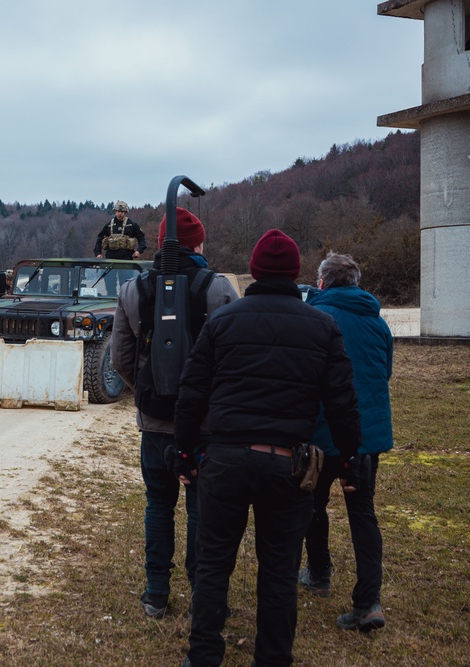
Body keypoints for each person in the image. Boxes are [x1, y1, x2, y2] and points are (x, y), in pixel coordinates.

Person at [174, 229, 363, 667]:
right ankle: (273, 658)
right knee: (278, 573)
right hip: (287, 465)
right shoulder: (322, 325)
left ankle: (202, 656)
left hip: (225, 460)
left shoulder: (224, 321)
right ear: (296, 272)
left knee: (213, 565)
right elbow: (342, 403)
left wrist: (184, 452)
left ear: (254, 270)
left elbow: (192, 392)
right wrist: (351, 460)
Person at [111, 209, 238, 619]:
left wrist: (148, 391)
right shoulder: (219, 289)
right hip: (204, 424)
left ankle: (156, 593)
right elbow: (231, 359)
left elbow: (120, 359)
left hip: (155, 421)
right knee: (201, 506)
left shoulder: (133, 289)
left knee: (157, 504)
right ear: (197, 244)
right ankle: (202, 589)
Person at [298, 252, 393, 633]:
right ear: (355, 283)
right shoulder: (377, 322)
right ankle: (369, 601)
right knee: (362, 512)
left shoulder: (316, 320)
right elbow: (384, 372)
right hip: (366, 437)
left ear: (321, 283)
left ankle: (319, 572)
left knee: (311, 504)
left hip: (323, 433)